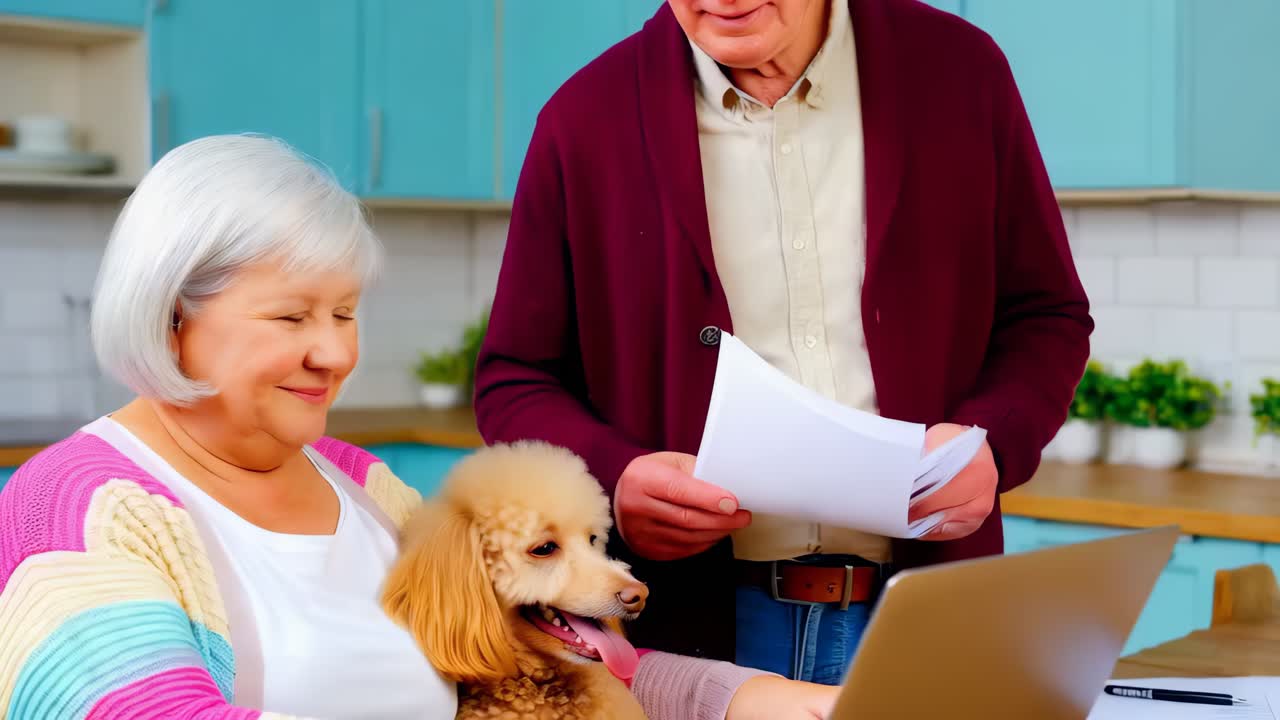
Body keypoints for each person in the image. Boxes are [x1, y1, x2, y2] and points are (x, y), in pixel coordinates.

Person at [0, 135, 836, 719]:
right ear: (172, 314)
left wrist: (743, 700)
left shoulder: (359, 483)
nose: (332, 351)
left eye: (345, 312)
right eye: (290, 316)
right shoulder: (74, 507)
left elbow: (534, 666)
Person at [474, 0, 1093, 684]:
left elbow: (1047, 314)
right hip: (686, 639)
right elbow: (514, 379)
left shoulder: (961, 72)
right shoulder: (583, 119)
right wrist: (616, 481)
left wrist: (991, 442)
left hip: (929, 616)